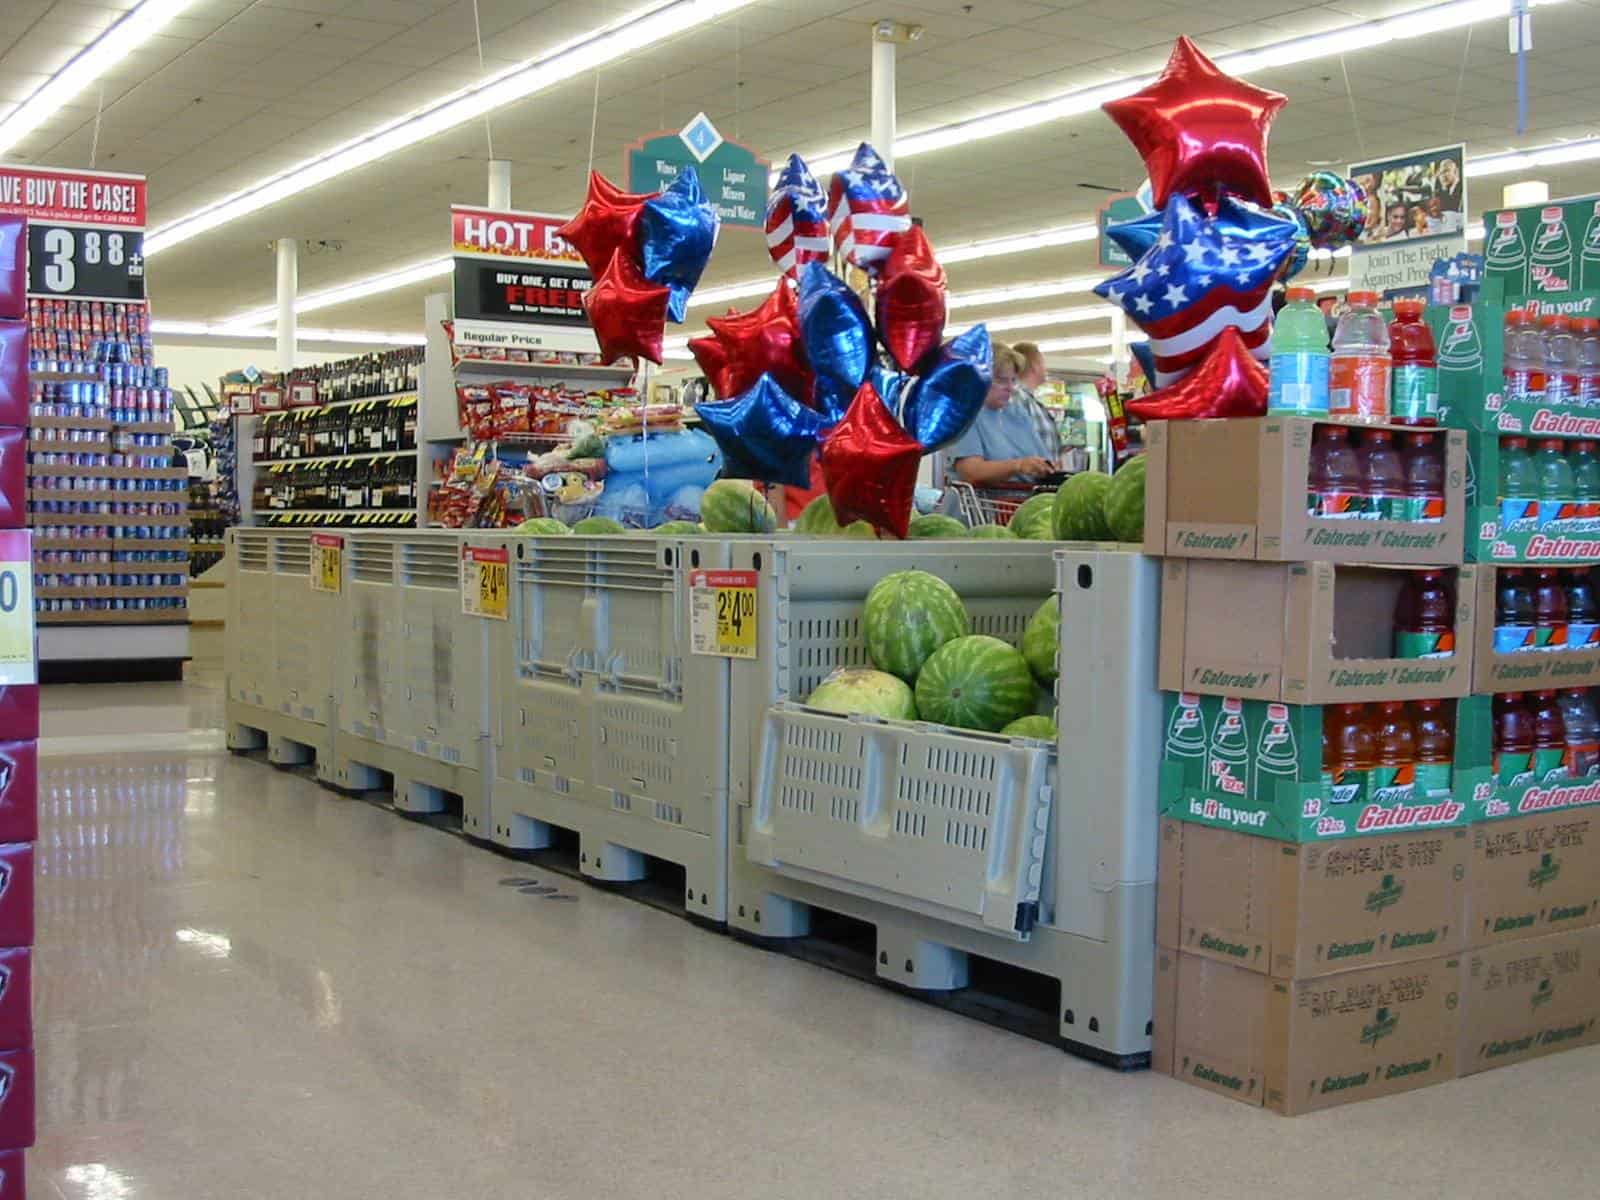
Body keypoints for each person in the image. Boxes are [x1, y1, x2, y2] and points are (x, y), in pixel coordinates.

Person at [947, 341, 1057, 485]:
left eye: (1013, 380)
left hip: (1020, 502)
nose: (1010, 388)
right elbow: (971, 472)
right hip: (978, 505)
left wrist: (1048, 467)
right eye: (1002, 380)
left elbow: (1043, 458)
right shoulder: (964, 415)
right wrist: (1018, 465)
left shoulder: (1017, 413)